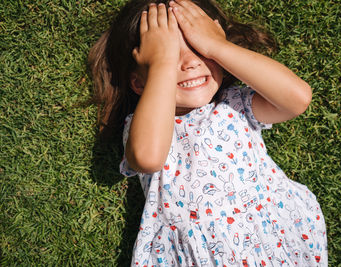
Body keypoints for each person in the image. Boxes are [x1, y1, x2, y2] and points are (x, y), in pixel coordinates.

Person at [89, 0, 328, 266]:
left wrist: (217, 46)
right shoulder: (146, 123)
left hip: (272, 244)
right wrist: (162, 65)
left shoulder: (236, 105)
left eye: (196, 47)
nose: (189, 63)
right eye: (168, 56)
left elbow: (298, 99)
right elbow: (147, 158)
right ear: (138, 82)